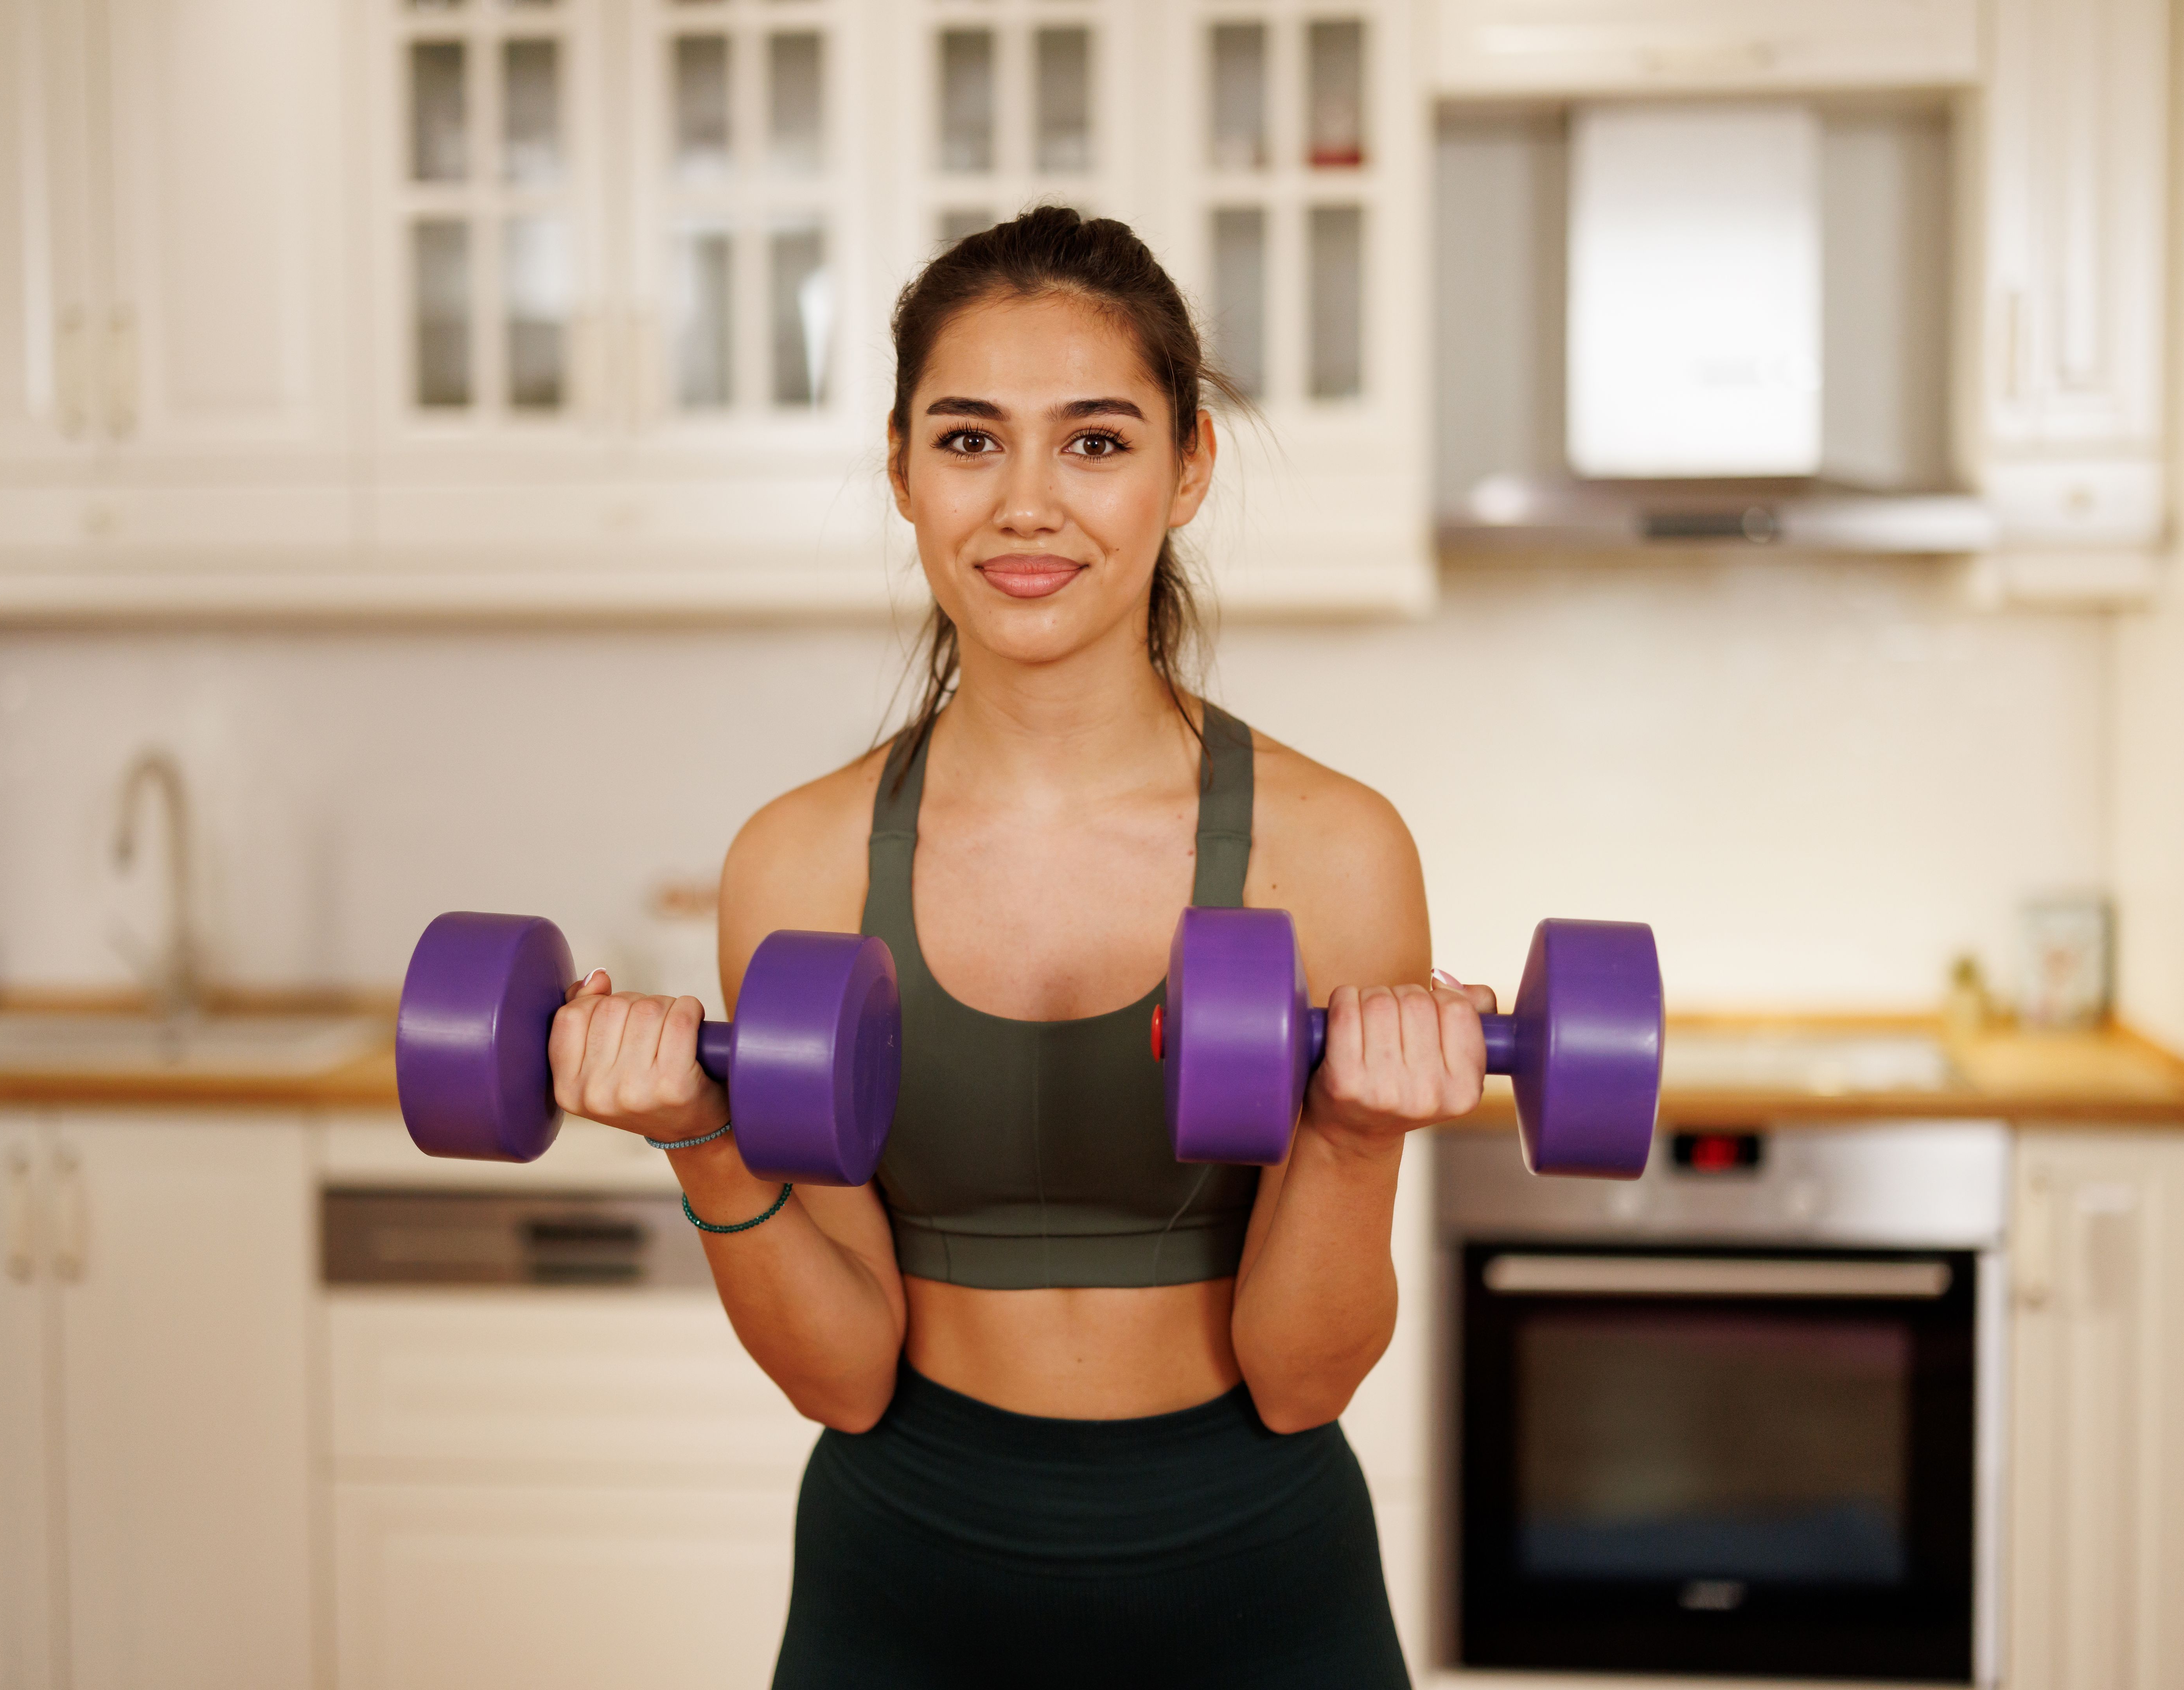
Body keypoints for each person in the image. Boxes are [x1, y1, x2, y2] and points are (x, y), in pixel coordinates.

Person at [548, 206, 1493, 1688]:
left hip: (1252, 1572)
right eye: (971, 440)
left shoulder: (1334, 851)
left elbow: (1304, 1383)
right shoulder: (795, 864)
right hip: (905, 1576)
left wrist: (1358, 1136)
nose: (1028, 505)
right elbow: (843, 1377)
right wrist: (699, 1141)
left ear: (1188, 469)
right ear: (901, 470)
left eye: (1097, 442)